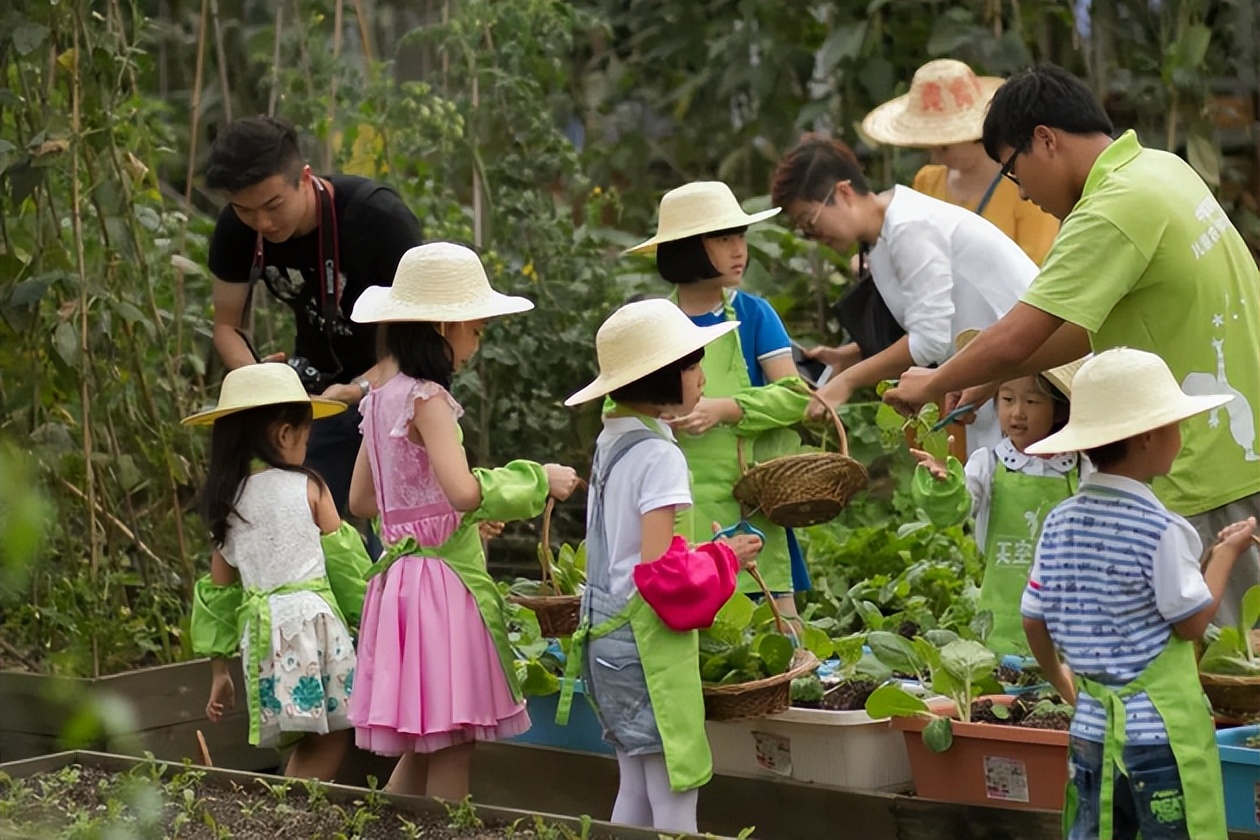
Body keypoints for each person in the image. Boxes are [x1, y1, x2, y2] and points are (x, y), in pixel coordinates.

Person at [883, 63, 1260, 626]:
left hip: (1202, 464)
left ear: (1045, 140)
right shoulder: (1161, 170)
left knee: (1221, 667)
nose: (1024, 194)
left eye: (1012, 172)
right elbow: (1083, 327)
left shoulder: (1111, 207)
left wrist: (936, 380)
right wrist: (984, 383)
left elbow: (1021, 330)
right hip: (1240, 441)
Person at [345, 242, 580, 800]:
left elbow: (362, 501)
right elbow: (464, 488)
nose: (476, 343)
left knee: (426, 740)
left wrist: (452, 517)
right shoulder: (428, 399)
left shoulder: (378, 399)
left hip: (400, 582)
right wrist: (538, 479)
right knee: (453, 738)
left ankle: (385, 829)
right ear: (447, 325)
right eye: (476, 328)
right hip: (440, 590)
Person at [1019, 347, 1256, 840]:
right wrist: (1226, 556)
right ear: (1148, 437)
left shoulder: (1059, 521)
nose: (1179, 435)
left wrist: (1067, 686)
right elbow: (1190, 622)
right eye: (1173, 425)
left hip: (1091, 730)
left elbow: (1033, 620)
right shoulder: (1162, 529)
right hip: (1160, 740)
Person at [559, 298, 763, 833]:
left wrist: (698, 552)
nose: (699, 376)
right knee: (676, 783)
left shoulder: (614, 438)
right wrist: (725, 557)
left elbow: (631, 550)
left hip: (604, 636)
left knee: (634, 780)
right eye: (692, 364)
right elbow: (658, 571)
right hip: (644, 644)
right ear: (662, 376)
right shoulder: (661, 455)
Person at [205, 115, 423, 521]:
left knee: (397, 533)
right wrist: (262, 383)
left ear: (304, 177)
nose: (263, 224)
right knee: (301, 520)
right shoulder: (237, 229)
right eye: (245, 211)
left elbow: (424, 338)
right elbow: (226, 326)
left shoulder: (377, 218)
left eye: (273, 206)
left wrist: (358, 388)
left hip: (400, 385)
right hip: (317, 399)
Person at [771, 137, 1037, 453]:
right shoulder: (883, 234)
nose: (811, 236)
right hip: (989, 380)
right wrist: (849, 357)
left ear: (843, 193)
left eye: (809, 221)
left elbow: (928, 341)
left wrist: (848, 381)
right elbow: (926, 322)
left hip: (1030, 379)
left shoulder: (910, 227)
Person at [624, 181, 812, 613]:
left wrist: (725, 409)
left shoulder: (753, 315)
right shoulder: (656, 324)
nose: (738, 250)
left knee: (775, 637)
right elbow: (622, 410)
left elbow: (795, 397)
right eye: (723, 238)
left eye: (740, 237)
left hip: (751, 501)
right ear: (688, 247)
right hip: (675, 505)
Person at [185, 362, 369, 781]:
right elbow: (345, 566)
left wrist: (219, 671)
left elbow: (219, 597)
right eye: (306, 435)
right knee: (332, 733)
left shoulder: (227, 504)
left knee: (304, 737)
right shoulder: (309, 486)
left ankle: (289, 809)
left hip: (263, 639)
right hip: (313, 631)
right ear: (285, 434)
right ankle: (296, 812)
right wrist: (370, 618)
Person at [912, 335, 1090, 655]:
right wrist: (944, 484)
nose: (1017, 413)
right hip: (1001, 616)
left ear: (1060, 410)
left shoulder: (1080, 469)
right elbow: (958, 508)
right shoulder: (989, 463)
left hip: (1068, 618)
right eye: (1007, 399)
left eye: (1032, 402)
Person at [862, 59, 1059, 265]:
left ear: (975, 137)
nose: (935, 156)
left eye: (944, 147)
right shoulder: (927, 181)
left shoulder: (1027, 189)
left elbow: (1036, 268)